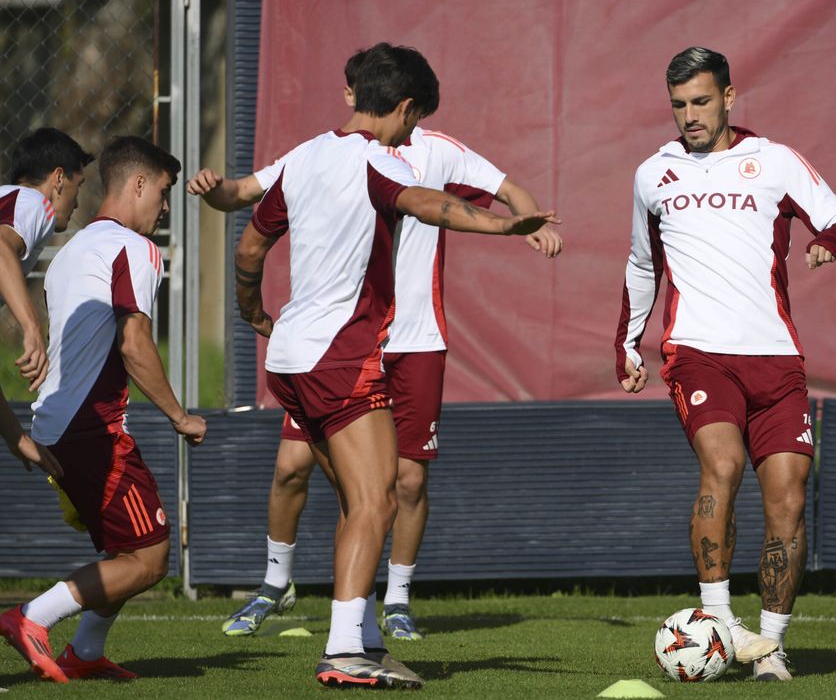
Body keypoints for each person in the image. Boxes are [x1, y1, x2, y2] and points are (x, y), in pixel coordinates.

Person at [188, 48, 562, 643]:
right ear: (404, 108)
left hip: (289, 358)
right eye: (413, 120)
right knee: (373, 503)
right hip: (342, 356)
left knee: (364, 497)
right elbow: (426, 203)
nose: (413, 133)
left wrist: (253, 312)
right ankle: (345, 648)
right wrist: (498, 227)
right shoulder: (379, 161)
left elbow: (248, 250)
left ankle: (369, 631)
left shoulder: (308, 156)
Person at [614, 47, 836, 682]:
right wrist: (627, 342)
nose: (689, 116)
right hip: (697, 354)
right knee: (721, 465)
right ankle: (720, 621)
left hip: (777, 361)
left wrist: (827, 244)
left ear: (729, 96)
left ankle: (771, 646)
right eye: (678, 105)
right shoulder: (653, 174)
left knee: (787, 501)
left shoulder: (773, 161)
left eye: (700, 101)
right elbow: (644, 265)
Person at [0, 136, 207, 683]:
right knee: (151, 558)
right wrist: (180, 417)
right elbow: (133, 341)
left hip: (56, 425)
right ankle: (29, 618)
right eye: (163, 193)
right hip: (91, 428)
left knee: (126, 552)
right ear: (138, 184)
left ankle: (87, 650)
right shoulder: (134, 248)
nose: (165, 208)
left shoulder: (68, 252)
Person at [0, 128, 93, 475]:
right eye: (78, 186)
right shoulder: (32, 203)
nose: (78, 200)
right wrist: (31, 327)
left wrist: (16, 438)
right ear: (58, 179)